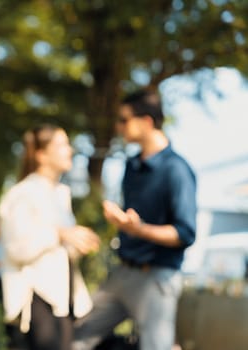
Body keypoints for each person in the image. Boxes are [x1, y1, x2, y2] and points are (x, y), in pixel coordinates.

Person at [73, 89, 197, 350]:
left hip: (156, 278)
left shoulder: (177, 171)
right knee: (77, 338)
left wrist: (138, 229)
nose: (119, 127)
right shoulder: (132, 166)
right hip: (123, 272)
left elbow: (185, 234)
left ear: (147, 121)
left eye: (124, 119)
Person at [0, 124, 100, 350]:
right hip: (36, 303)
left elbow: (58, 250)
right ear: (41, 155)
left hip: (62, 302)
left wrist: (77, 242)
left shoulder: (61, 194)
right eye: (62, 145)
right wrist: (61, 233)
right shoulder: (22, 193)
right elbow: (16, 248)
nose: (70, 150)